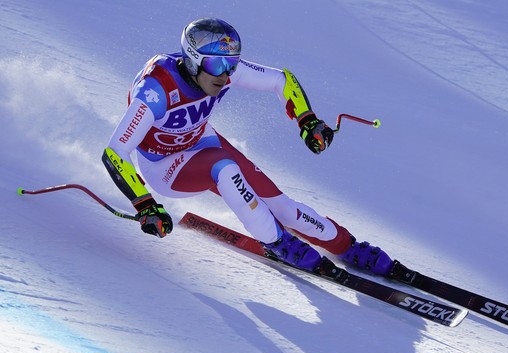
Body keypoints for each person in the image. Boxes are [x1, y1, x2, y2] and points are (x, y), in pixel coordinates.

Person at [102, 18, 393, 276]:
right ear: (192, 61)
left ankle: (346, 245)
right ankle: (278, 242)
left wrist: (307, 121)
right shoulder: (156, 91)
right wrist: (145, 204)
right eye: (217, 65)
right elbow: (115, 152)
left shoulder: (221, 72)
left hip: (201, 141)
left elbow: (282, 80)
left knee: (282, 205)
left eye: (232, 64)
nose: (225, 75)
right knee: (224, 167)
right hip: (164, 167)